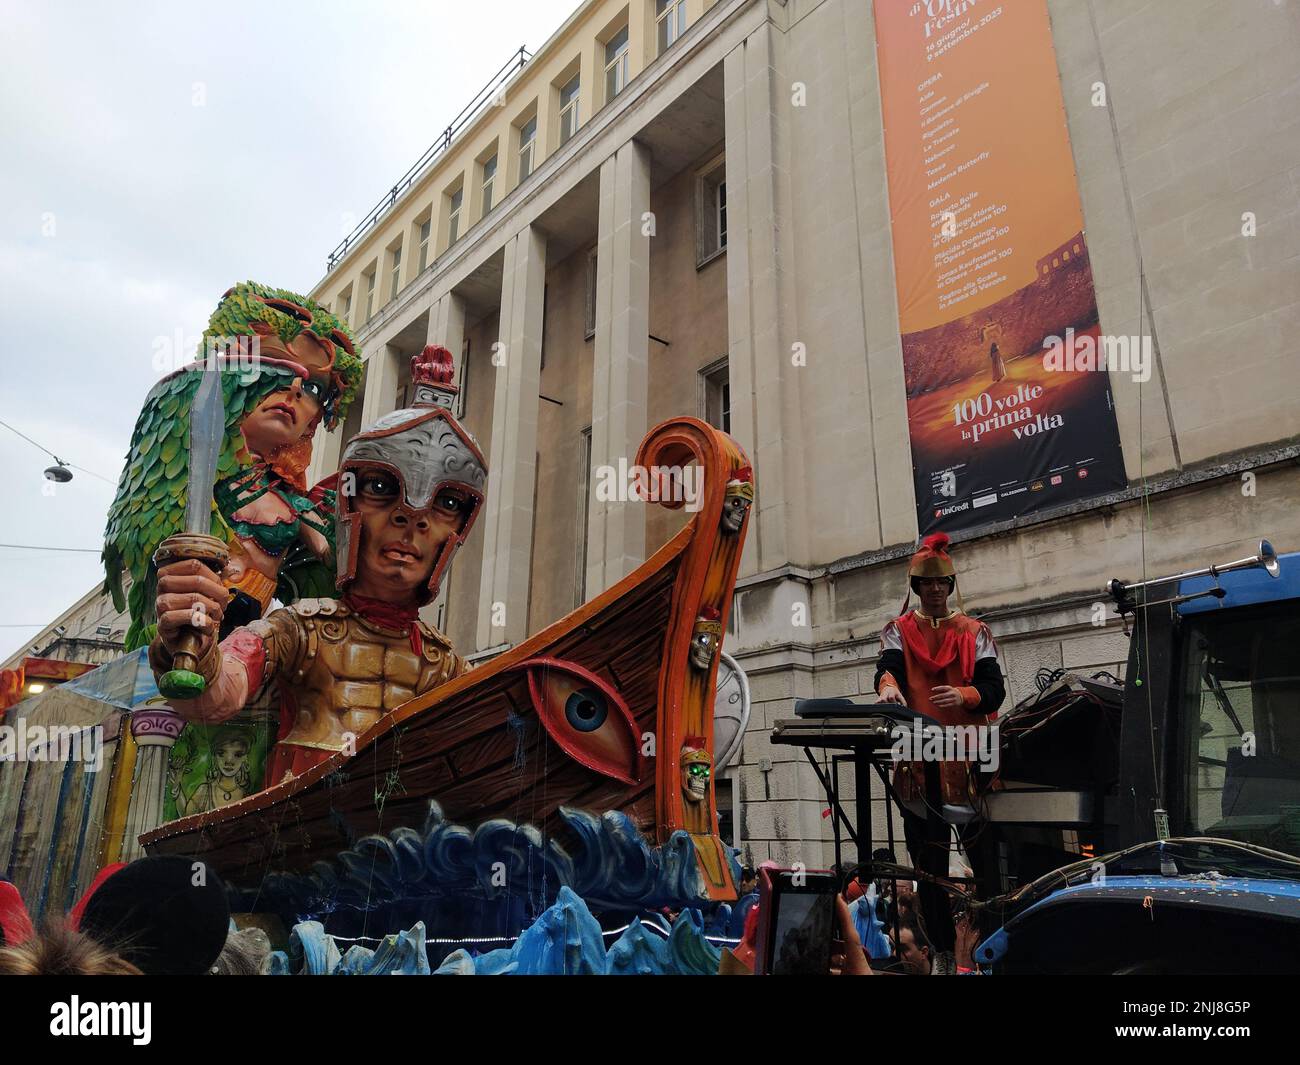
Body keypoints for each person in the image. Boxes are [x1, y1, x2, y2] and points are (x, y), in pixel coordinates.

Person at [149, 345, 486, 785]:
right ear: (348, 509)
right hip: (292, 837)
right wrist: (188, 644)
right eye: (383, 488)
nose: (412, 519)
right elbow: (217, 696)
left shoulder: (445, 665)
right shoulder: (297, 630)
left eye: (446, 502)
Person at [875, 532, 1005, 952]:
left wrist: (964, 696)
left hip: (967, 759)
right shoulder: (898, 630)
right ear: (917, 588)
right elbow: (888, 667)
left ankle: (989, 946)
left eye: (940, 583)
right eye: (927, 584)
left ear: (950, 587)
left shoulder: (974, 631)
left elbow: (993, 689)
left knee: (985, 867)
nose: (934, 590)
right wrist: (888, 687)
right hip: (918, 759)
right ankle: (944, 953)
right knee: (928, 868)